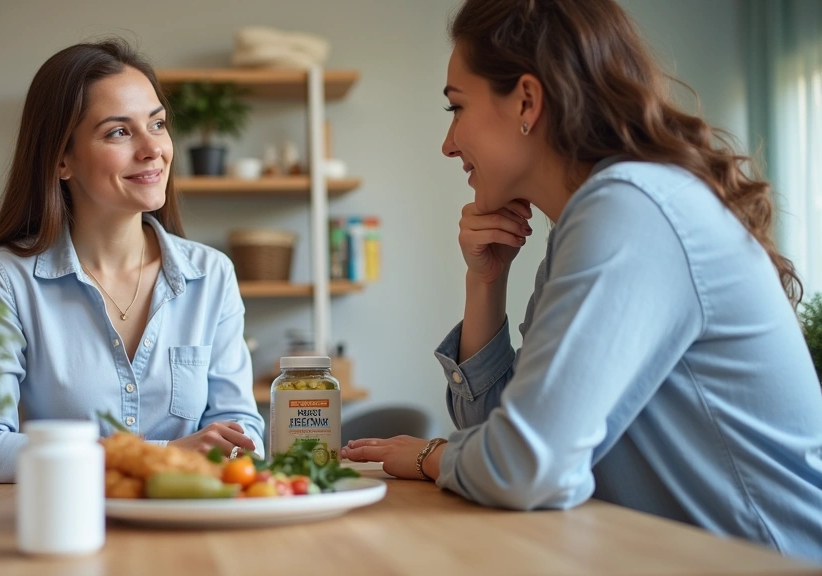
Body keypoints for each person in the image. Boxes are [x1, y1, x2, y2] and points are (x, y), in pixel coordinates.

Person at [341, 0, 822, 561]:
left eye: (456, 108)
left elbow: (522, 467)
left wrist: (429, 456)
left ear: (526, 100)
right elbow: (502, 430)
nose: (448, 143)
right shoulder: (587, 223)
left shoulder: (630, 208)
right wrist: (485, 282)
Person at [0, 39, 264, 483]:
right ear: (62, 159)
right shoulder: (5, 279)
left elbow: (243, 430)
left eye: (157, 124)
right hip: (63, 529)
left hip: (191, 529)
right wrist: (153, 455)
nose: (151, 149)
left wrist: (227, 446)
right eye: (119, 132)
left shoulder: (212, 275)